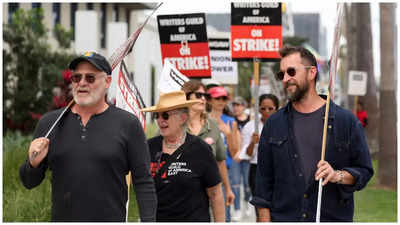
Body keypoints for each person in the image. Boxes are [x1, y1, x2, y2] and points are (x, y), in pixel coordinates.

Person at [19, 51, 157, 222]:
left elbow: (143, 182)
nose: (82, 83)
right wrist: (33, 163)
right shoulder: (50, 123)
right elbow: (28, 182)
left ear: (107, 82)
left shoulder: (128, 124)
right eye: (76, 78)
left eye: (90, 78)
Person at [251, 46, 374, 222]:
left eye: (291, 71)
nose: (285, 79)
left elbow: (364, 170)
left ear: (312, 72)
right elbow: (263, 183)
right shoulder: (273, 124)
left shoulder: (346, 121)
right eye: (282, 74)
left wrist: (337, 175)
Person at [142, 90, 225, 222]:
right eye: (156, 116)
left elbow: (216, 194)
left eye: (165, 115)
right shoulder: (148, 147)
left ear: (183, 118)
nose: (160, 120)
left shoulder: (201, 149)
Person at [181, 80, 235, 211]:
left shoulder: (213, 125)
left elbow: (220, 161)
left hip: (209, 193)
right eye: (199, 95)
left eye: (205, 96)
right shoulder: (175, 124)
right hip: (179, 193)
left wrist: (228, 189)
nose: (203, 99)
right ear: (186, 96)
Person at [239, 94, 279, 218]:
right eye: (263, 109)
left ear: (276, 109)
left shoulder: (283, 125)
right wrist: (253, 142)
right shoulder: (250, 127)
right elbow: (247, 154)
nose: (266, 112)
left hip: (278, 169)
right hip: (257, 170)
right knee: (261, 209)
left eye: (270, 108)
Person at [207, 86, 241, 222]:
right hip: (204, 170)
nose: (221, 101)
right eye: (217, 98)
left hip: (224, 170)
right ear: (209, 100)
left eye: (224, 98)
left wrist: (228, 134)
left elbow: (234, 153)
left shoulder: (231, 121)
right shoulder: (203, 120)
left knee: (223, 212)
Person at [231, 96, 251, 219]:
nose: (236, 108)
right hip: (235, 157)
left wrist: (242, 151)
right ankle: (237, 209)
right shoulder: (231, 120)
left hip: (248, 156)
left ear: (244, 106)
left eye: (238, 105)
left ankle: (247, 204)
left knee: (247, 183)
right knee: (236, 184)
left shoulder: (250, 120)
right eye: (234, 105)